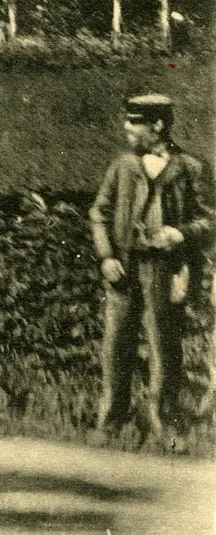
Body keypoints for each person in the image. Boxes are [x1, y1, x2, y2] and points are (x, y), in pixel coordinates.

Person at [90, 93, 214, 443]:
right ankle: (110, 421)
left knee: (164, 344)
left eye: (134, 122)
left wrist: (180, 232)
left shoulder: (191, 168)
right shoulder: (122, 166)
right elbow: (99, 213)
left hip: (167, 269)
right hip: (124, 268)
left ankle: (164, 421)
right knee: (116, 345)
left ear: (157, 126)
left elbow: (211, 220)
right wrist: (106, 257)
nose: (126, 128)